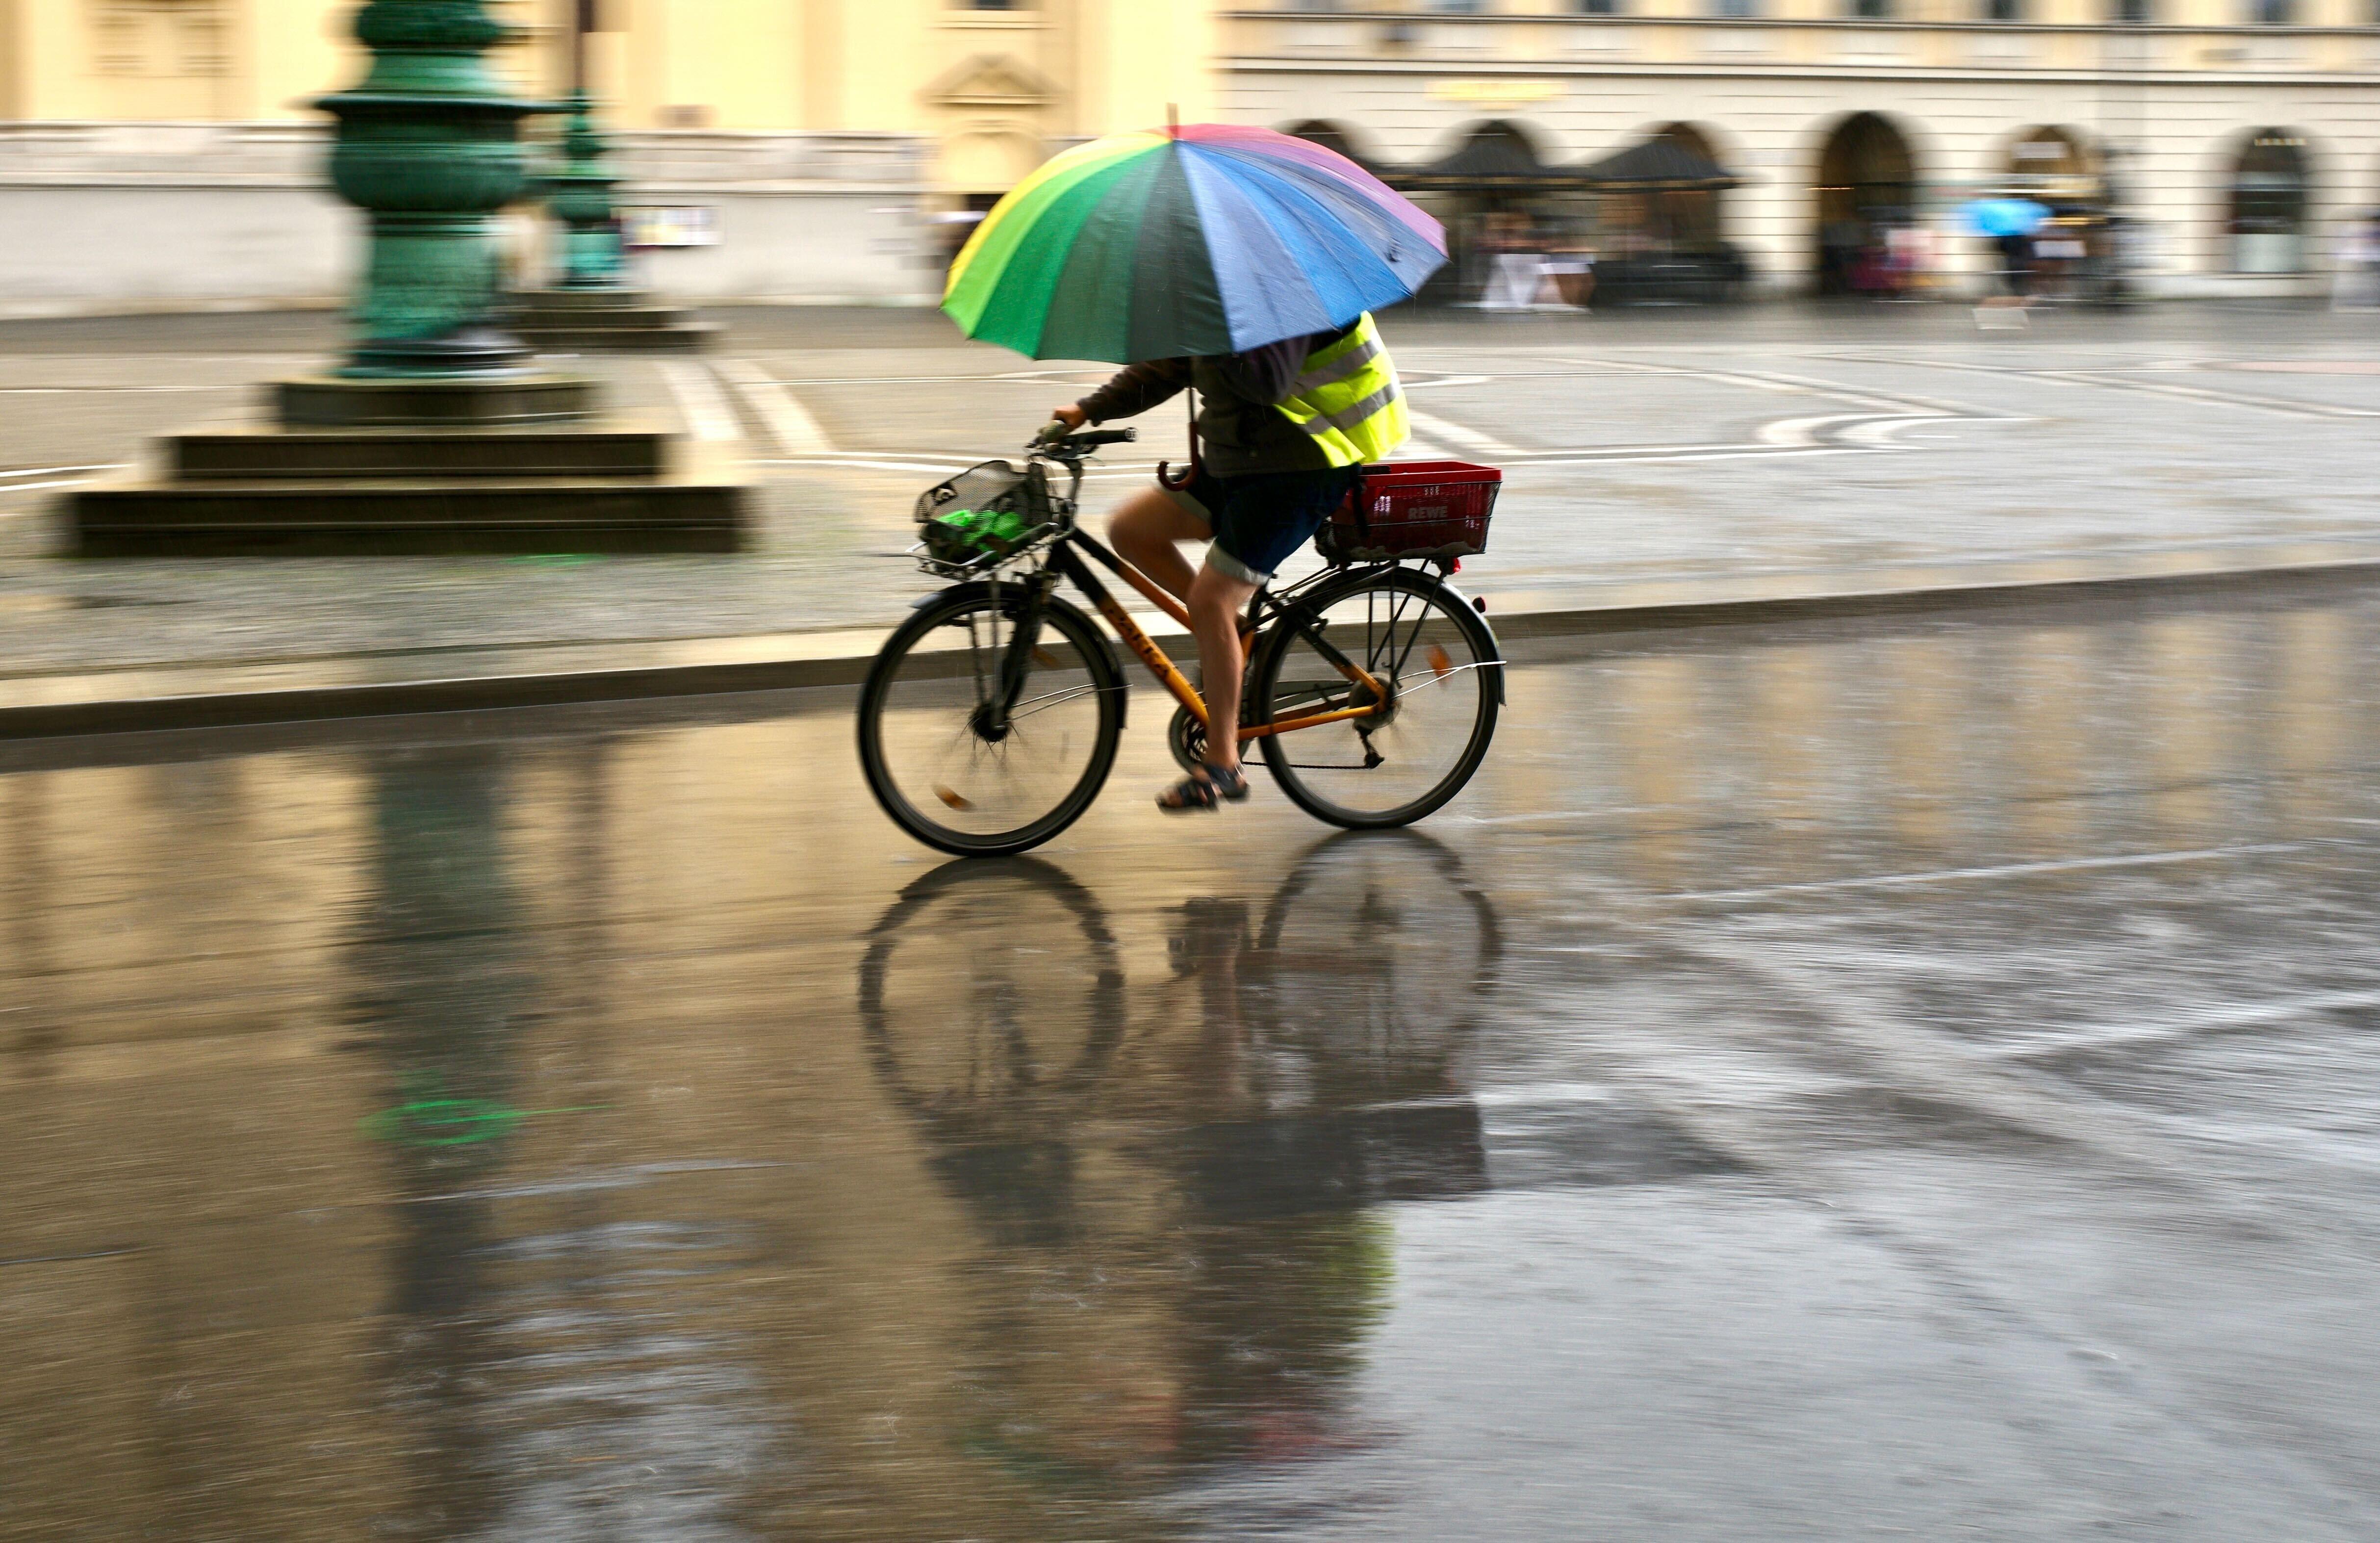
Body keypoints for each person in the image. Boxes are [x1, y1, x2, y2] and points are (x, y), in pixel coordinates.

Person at [1047, 312, 1408, 813]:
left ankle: (1222, 765)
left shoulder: (1284, 296)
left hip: (1301, 468)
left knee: (1209, 599)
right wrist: (1085, 409)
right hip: (1237, 459)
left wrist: (1212, 333)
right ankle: (1233, 638)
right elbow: (1168, 368)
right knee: (1130, 530)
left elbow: (1266, 380)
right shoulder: (1216, 292)